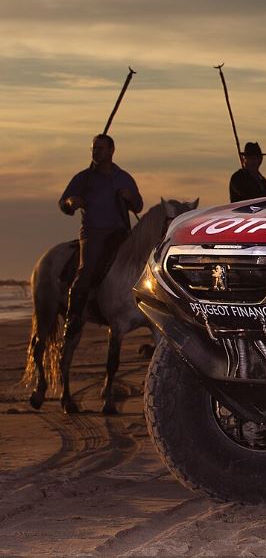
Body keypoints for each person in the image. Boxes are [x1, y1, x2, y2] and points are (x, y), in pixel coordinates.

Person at [58, 133, 143, 410]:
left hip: (120, 233)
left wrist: (130, 198)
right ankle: (74, 315)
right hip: (93, 233)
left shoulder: (123, 177)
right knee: (86, 271)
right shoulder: (84, 178)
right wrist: (71, 202)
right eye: (94, 148)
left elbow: (139, 206)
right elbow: (63, 203)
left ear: (112, 150)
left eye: (101, 148)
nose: (96, 152)